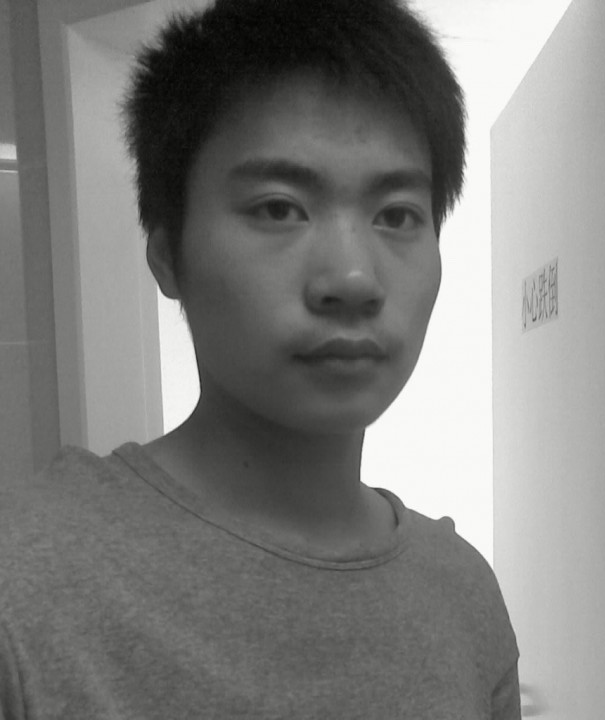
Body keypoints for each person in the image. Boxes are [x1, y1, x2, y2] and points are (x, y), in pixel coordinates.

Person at [0, 0, 520, 717]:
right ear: (168, 255)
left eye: (397, 215)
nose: (353, 279)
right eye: (279, 208)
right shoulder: (28, 586)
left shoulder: (463, 593)